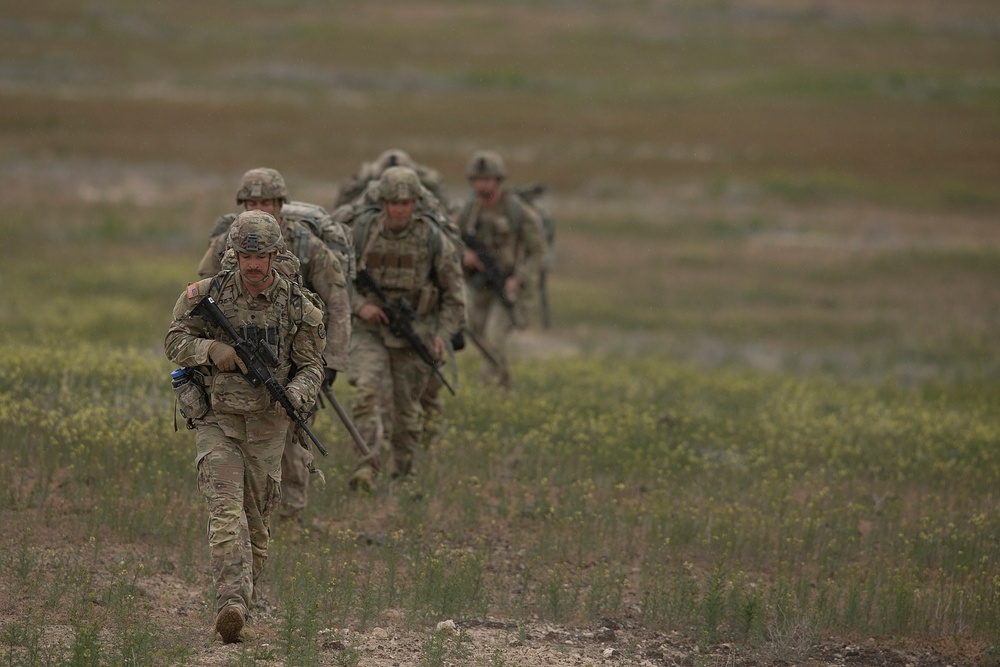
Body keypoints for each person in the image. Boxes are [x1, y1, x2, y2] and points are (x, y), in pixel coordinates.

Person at [165, 210, 326, 643]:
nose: (254, 265)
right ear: (233, 254)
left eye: (261, 257)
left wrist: (295, 395)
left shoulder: (298, 306)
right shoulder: (206, 295)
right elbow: (174, 340)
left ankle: (243, 610)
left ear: (275, 254)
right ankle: (229, 603)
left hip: (269, 426)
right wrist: (210, 347)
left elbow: (313, 366)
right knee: (224, 513)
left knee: (256, 526)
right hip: (217, 420)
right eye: (245, 256)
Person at [197, 167, 351, 525]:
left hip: (293, 355)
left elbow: (337, 300)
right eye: (252, 201)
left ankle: (291, 514)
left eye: (267, 201)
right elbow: (205, 292)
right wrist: (209, 350)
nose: (260, 208)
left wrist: (330, 361)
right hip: (237, 359)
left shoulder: (305, 243)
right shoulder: (226, 242)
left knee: (294, 433)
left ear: (281, 203)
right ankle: (247, 516)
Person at [346, 166, 465, 492]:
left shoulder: (433, 240)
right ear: (383, 202)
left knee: (406, 409)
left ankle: (404, 474)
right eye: (393, 202)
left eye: (406, 203)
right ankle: (366, 467)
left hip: (416, 334)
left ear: (416, 203)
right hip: (369, 329)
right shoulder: (362, 232)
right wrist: (361, 306)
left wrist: (441, 335)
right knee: (368, 393)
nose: (399, 209)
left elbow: (455, 297)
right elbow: (337, 281)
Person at [456, 150, 545, 390]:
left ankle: (490, 388)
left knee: (495, 339)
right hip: (480, 285)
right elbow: (450, 242)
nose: (482, 184)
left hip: (507, 286)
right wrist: (463, 255)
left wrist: (519, 278)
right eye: (477, 179)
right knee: (478, 334)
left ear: (498, 180)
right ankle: (505, 384)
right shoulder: (467, 214)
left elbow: (537, 252)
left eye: (487, 179)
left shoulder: (518, 213)